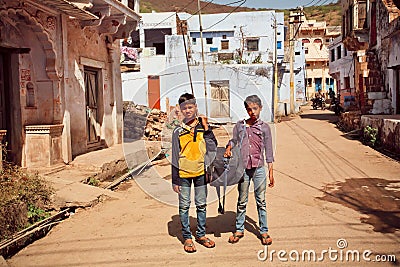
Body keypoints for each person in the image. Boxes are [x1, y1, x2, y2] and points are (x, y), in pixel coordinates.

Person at [224, 95, 275, 245]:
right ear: (246, 109)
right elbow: (233, 140)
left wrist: (271, 172)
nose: (252, 112)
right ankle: (239, 229)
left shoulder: (265, 127)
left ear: (260, 108)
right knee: (242, 200)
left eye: (255, 108)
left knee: (261, 201)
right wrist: (228, 147)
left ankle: (264, 230)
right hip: (243, 169)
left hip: (259, 169)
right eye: (249, 109)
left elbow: (269, 151)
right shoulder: (240, 126)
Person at [171, 93, 217, 253]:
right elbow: (175, 155)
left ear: (196, 107)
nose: (188, 110)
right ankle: (187, 237)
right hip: (183, 174)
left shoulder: (202, 127)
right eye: (184, 108)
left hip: (200, 173)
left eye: (190, 107)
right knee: (184, 207)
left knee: (201, 205)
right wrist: (174, 179)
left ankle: (201, 234)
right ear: (181, 110)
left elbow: (212, 146)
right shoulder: (177, 130)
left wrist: (206, 128)